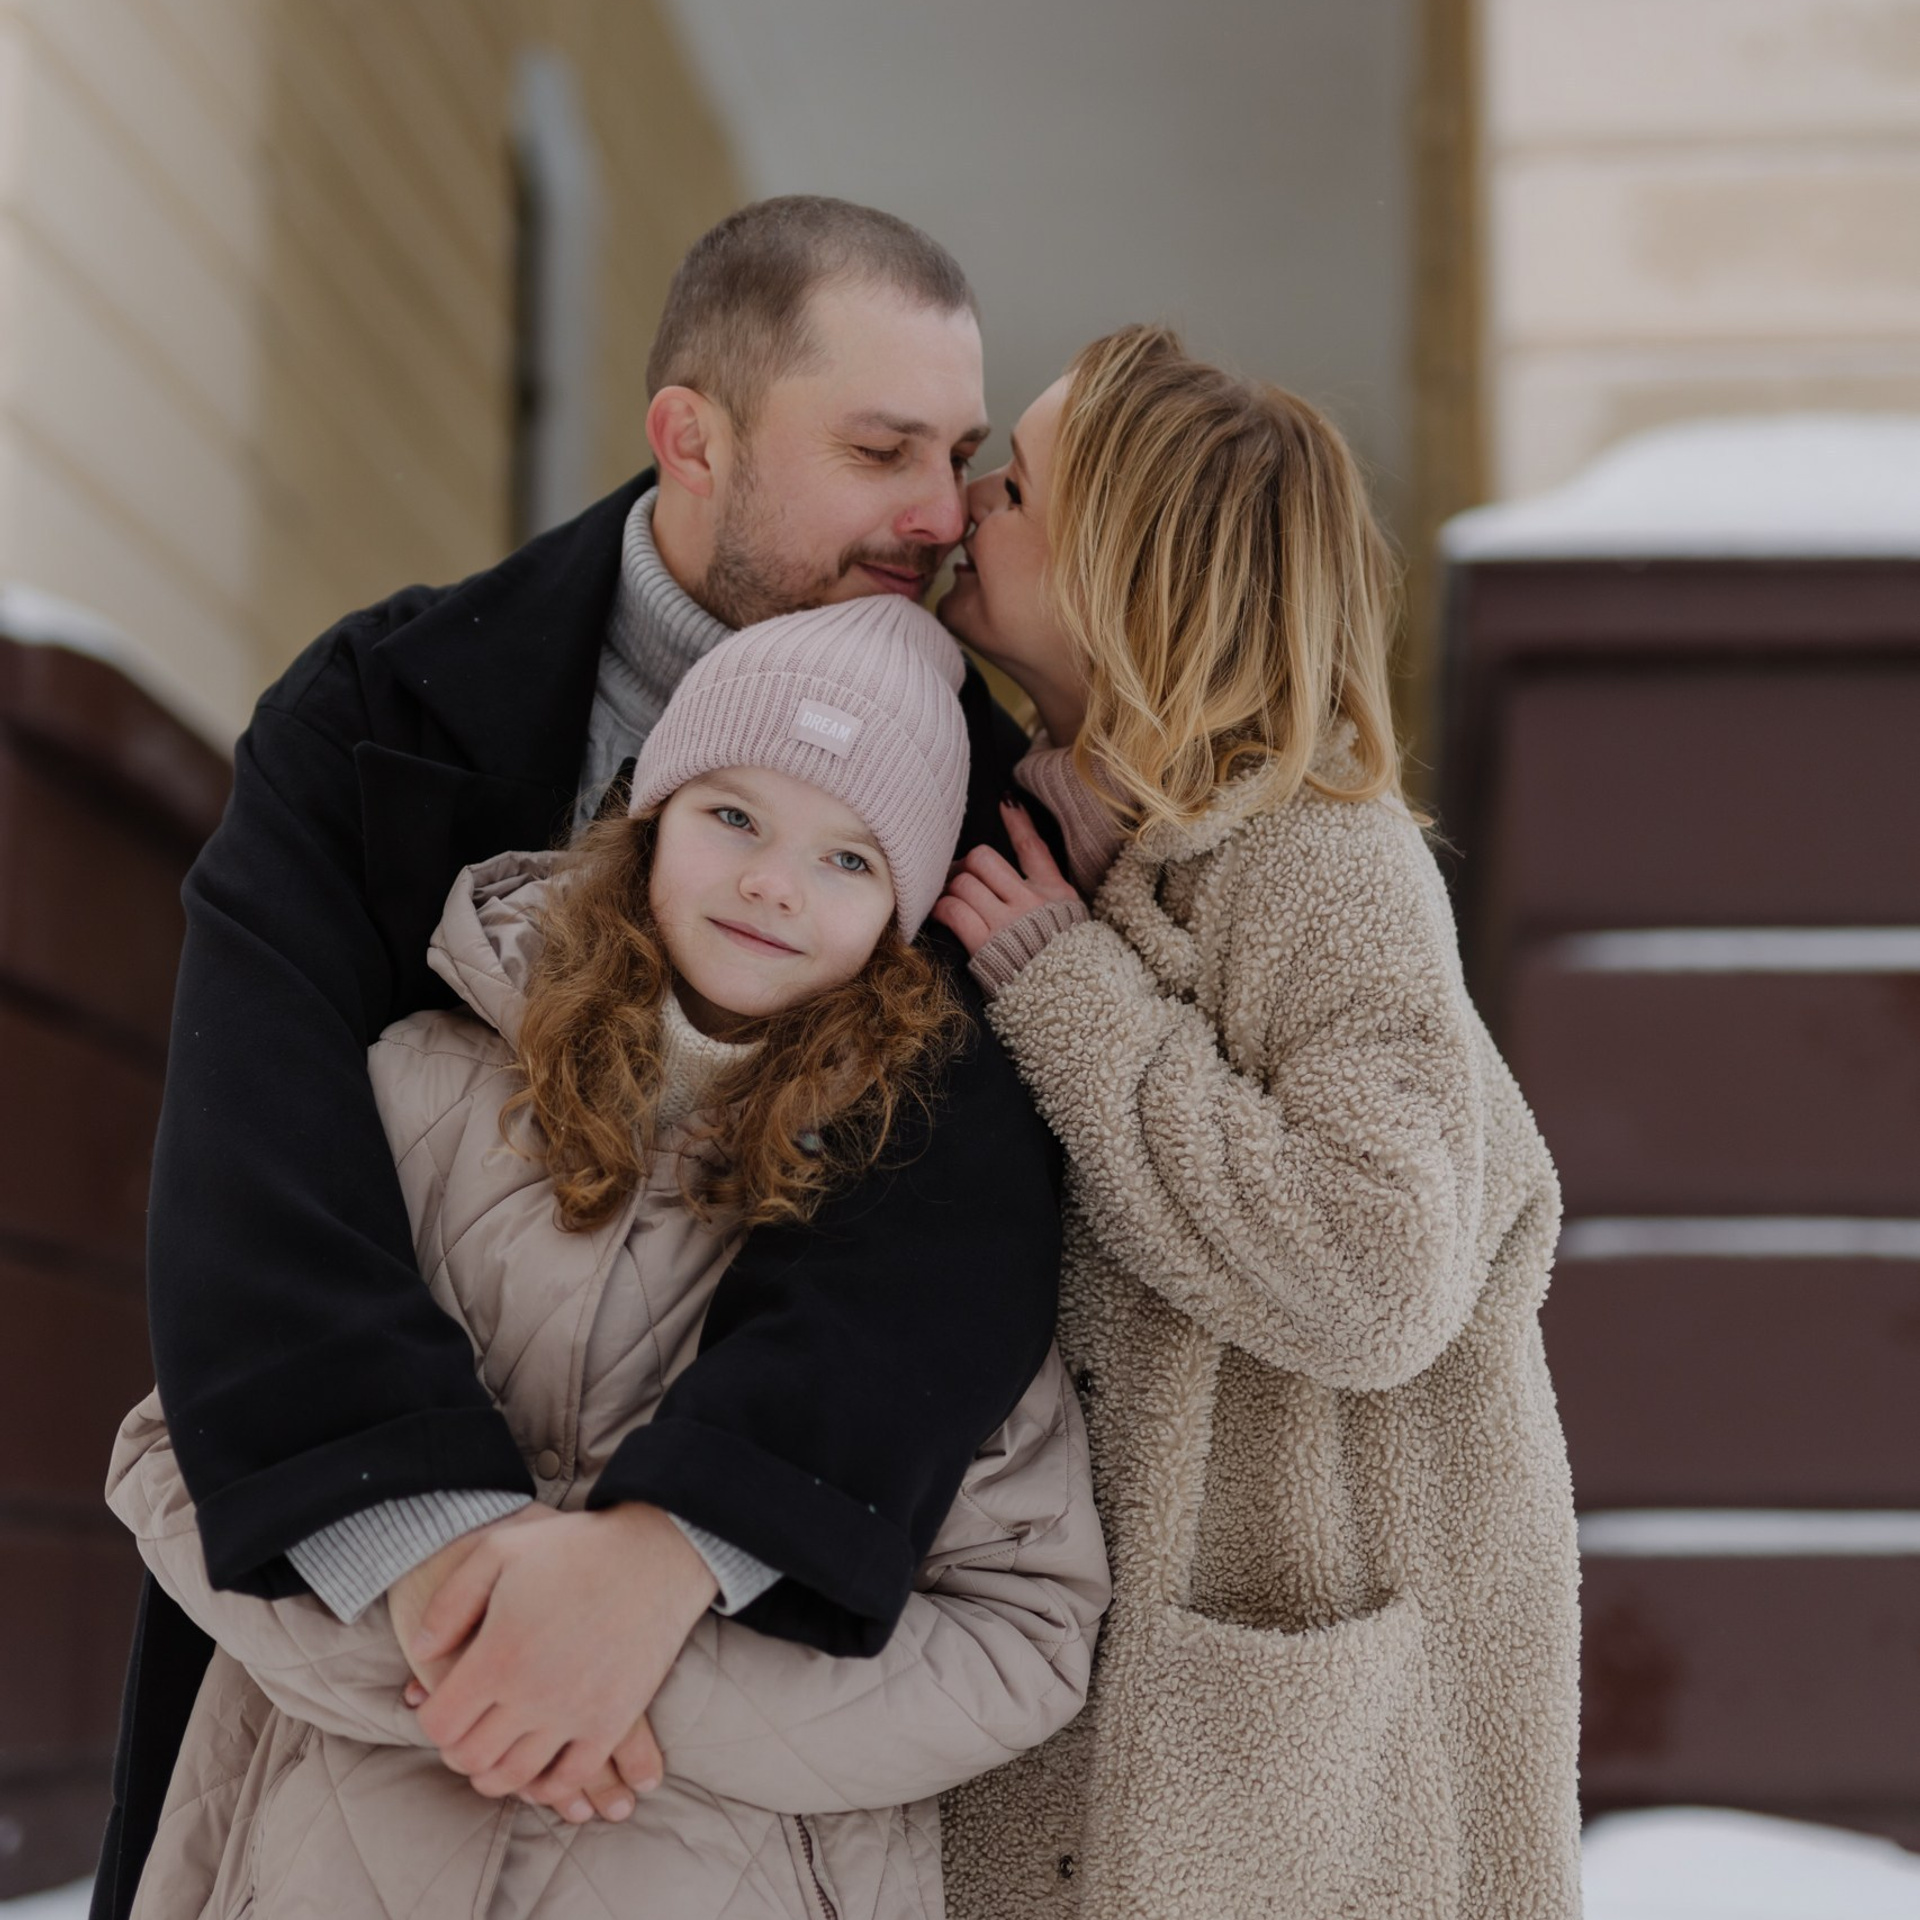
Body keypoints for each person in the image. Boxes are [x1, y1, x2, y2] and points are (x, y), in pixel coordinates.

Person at [95, 198, 1066, 1920]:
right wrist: (442, 1572)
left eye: (963, 455)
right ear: (690, 437)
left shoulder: (983, 806)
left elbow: (954, 1224)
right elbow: (262, 1144)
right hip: (335, 1751)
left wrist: (663, 1558)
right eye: (878, 449)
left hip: (723, 1818)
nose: (939, 517)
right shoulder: (381, 708)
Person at [930, 326, 1583, 1918]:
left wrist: (1069, 987)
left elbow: (1377, 1269)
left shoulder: (1322, 862)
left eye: (1012, 487)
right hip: (1084, 1712)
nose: (964, 502)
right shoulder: (1081, 834)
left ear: (1126, 577)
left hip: (1284, 1764)